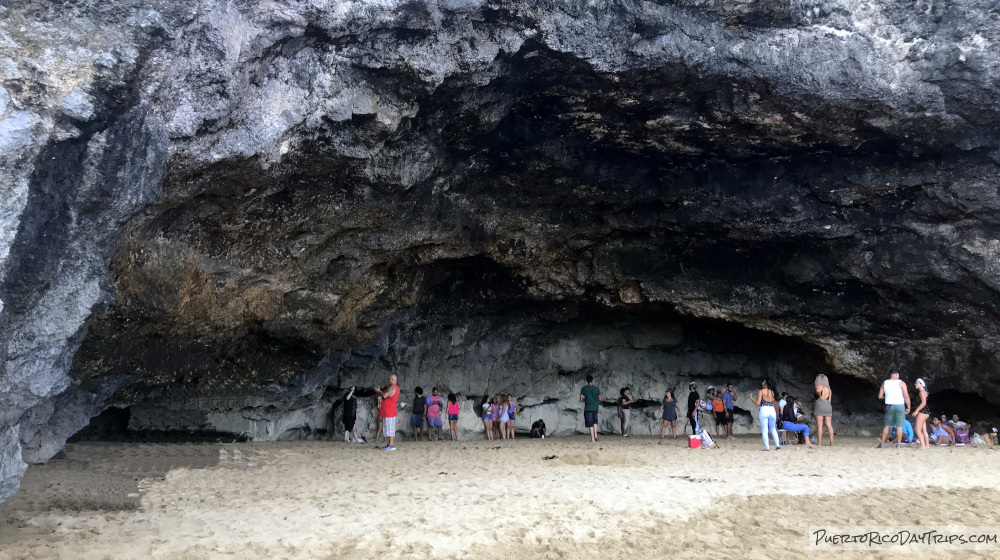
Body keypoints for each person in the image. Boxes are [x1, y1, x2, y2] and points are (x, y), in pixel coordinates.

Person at [877, 371, 910, 449]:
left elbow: (880, 396)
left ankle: (882, 444)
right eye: (898, 374)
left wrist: (887, 397)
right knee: (899, 426)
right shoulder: (901, 383)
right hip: (899, 406)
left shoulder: (884, 383)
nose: (898, 375)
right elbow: (906, 396)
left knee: (887, 425)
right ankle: (898, 445)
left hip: (889, 406)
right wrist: (908, 407)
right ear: (895, 375)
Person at [749, 378, 781, 451]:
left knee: (765, 430)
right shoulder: (773, 391)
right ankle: (777, 446)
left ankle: (767, 448)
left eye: (763, 382)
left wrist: (751, 398)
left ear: (765, 383)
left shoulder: (761, 391)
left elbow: (758, 403)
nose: (762, 382)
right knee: (773, 429)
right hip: (771, 409)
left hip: (764, 409)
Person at [374, 373, 400, 450]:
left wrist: (379, 391)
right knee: (388, 427)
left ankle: (391, 444)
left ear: (392, 379)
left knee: (390, 428)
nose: (388, 381)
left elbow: (384, 395)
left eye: (389, 379)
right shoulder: (395, 388)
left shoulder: (392, 387)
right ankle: (389, 444)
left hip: (390, 411)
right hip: (388, 411)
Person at [814, 374, 834, 446]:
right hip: (828, 405)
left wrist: (820, 396)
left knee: (820, 425)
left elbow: (818, 392)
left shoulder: (818, 386)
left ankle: (819, 442)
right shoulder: (829, 389)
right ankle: (831, 442)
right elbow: (830, 400)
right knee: (829, 424)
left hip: (820, 404)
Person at [580, 375, 601, 442]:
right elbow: (600, 398)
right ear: (592, 380)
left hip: (588, 407)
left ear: (587, 381)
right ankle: (596, 435)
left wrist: (585, 400)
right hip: (595, 407)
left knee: (590, 423)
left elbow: (581, 399)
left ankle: (592, 438)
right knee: (595, 421)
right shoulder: (596, 389)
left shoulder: (584, 389)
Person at [912, 378, 931, 450]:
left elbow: (923, 403)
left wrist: (916, 411)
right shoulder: (924, 392)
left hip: (922, 412)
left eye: (917, 383)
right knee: (924, 430)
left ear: (921, 384)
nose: (915, 384)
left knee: (917, 429)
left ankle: (922, 445)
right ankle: (927, 445)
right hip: (926, 413)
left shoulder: (922, 392)